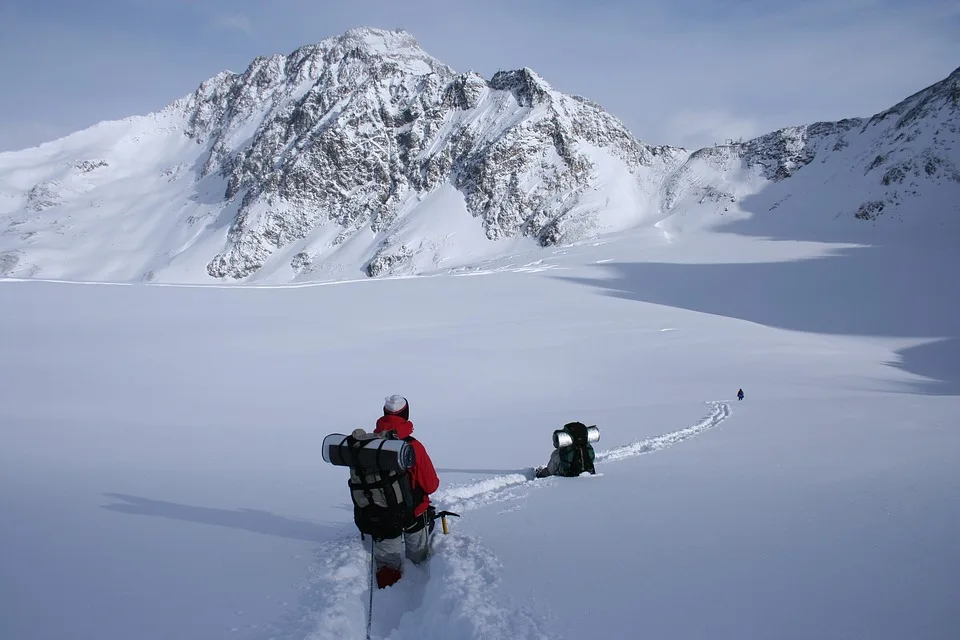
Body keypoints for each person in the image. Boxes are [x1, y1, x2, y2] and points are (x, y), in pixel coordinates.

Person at [370, 394, 439, 589]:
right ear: (406, 415)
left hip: (381, 515)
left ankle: (388, 593)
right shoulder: (413, 446)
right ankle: (419, 590)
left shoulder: (369, 444)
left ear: (384, 414)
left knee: (387, 568)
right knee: (419, 560)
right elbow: (431, 485)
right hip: (413, 515)